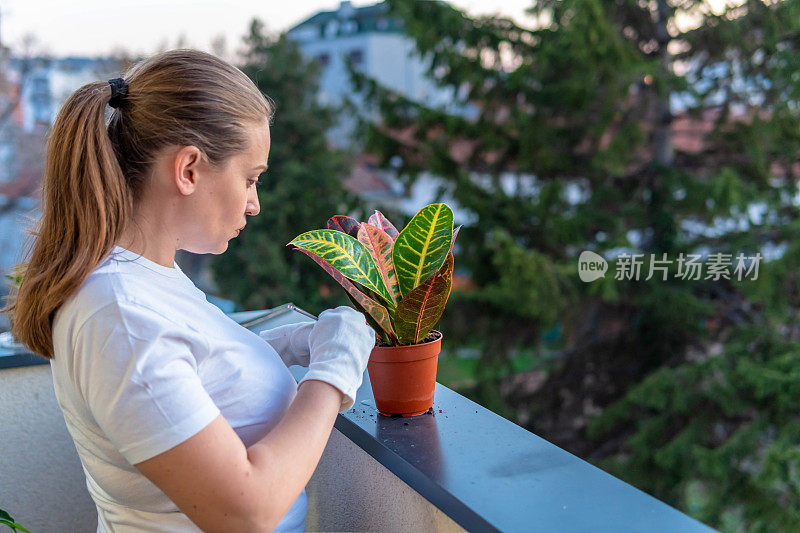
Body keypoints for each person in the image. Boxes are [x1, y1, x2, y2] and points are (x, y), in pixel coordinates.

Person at [4, 49, 376, 532]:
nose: (254, 203)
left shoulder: (143, 278)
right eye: (249, 178)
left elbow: (185, 368)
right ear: (189, 169)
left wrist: (280, 346)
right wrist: (333, 372)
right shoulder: (120, 313)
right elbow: (246, 511)